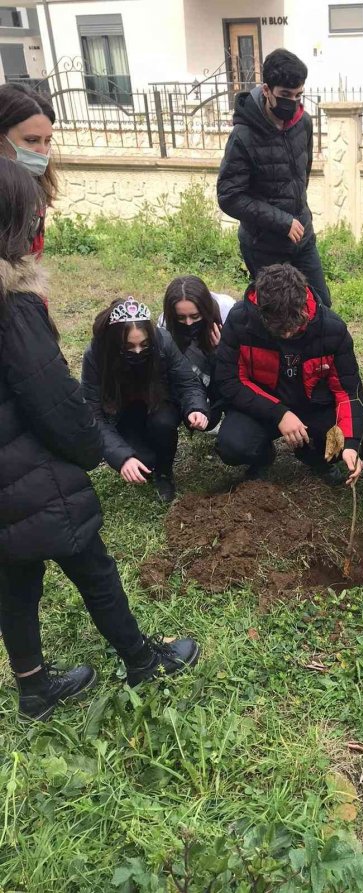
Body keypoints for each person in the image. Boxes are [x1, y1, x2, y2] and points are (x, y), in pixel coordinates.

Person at [0, 159, 199, 722]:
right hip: (27, 466)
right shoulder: (13, 306)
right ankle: (142, 660)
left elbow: (183, 381)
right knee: (91, 564)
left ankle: (33, 687)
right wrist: (97, 453)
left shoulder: (158, 345)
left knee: (14, 575)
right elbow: (56, 400)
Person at [215, 263, 363, 485]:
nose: (287, 333)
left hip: (313, 407)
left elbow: (348, 393)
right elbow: (230, 381)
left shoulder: (332, 329)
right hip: (262, 407)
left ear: (303, 303)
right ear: (262, 312)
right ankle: (263, 456)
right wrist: (279, 414)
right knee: (232, 446)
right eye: (279, 329)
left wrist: (350, 444)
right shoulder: (240, 320)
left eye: (293, 325)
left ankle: (315, 457)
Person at [216, 48, 331, 307]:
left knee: (320, 306)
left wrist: (300, 217)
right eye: (285, 95)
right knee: (279, 314)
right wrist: (281, 221)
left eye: (299, 95)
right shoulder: (243, 135)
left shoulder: (305, 123)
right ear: (266, 90)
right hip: (264, 246)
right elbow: (229, 196)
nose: (293, 101)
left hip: (303, 236)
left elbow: (303, 175)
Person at [81, 299, 209, 504]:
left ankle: (165, 473)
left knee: (163, 424)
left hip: (158, 403)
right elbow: (93, 414)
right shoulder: (96, 355)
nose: (139, 351)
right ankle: (143, 453)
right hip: (122, 413)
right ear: (115, 342)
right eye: (129, 346)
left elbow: (187, 382)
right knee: (144, 463)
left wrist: (196, 407)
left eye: (144, 344)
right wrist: (122, 457)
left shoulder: (163, 341)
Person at [159, 275, 235, 428]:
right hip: (193, 379)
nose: (188, 323)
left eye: (195, 316)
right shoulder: (165, 326)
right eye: (181, 317)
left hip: (225, 375)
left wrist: (221, 350)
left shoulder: (228, 310)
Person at [0, 83, 57, 258]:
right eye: (31, 140)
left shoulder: (35, 187)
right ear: (1, 140)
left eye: (47, 141)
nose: (42, 151)